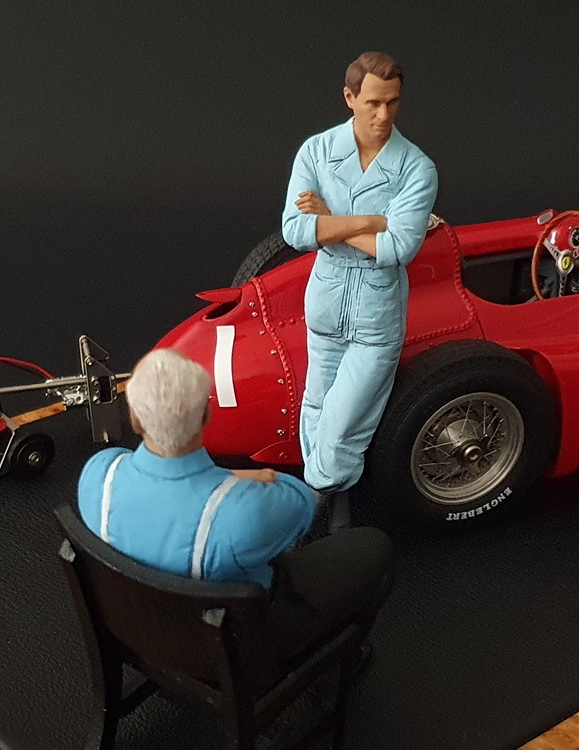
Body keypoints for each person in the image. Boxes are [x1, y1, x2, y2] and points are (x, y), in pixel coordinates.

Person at [77, 348, 394, 658]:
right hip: (228, 646)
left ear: (135, 420)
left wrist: (224, 478)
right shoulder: (241, 515)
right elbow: (303, 503)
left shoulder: (98, 475)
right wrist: (241, 477)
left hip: (138, 627)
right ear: (206, 415)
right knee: (373, 545)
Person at [281, 51, 438, 523]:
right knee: (315, 406)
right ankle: (334, 506)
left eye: (393, 102)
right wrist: (371, 222)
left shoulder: (416, 168)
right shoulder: (315, 152)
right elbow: (295, 230)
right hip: (326, 303)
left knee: (342, 422)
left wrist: (329, 220)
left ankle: (313, 500)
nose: (384, 115)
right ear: (349, 98)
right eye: (372, 102)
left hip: (376, 314)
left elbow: (400, 247)